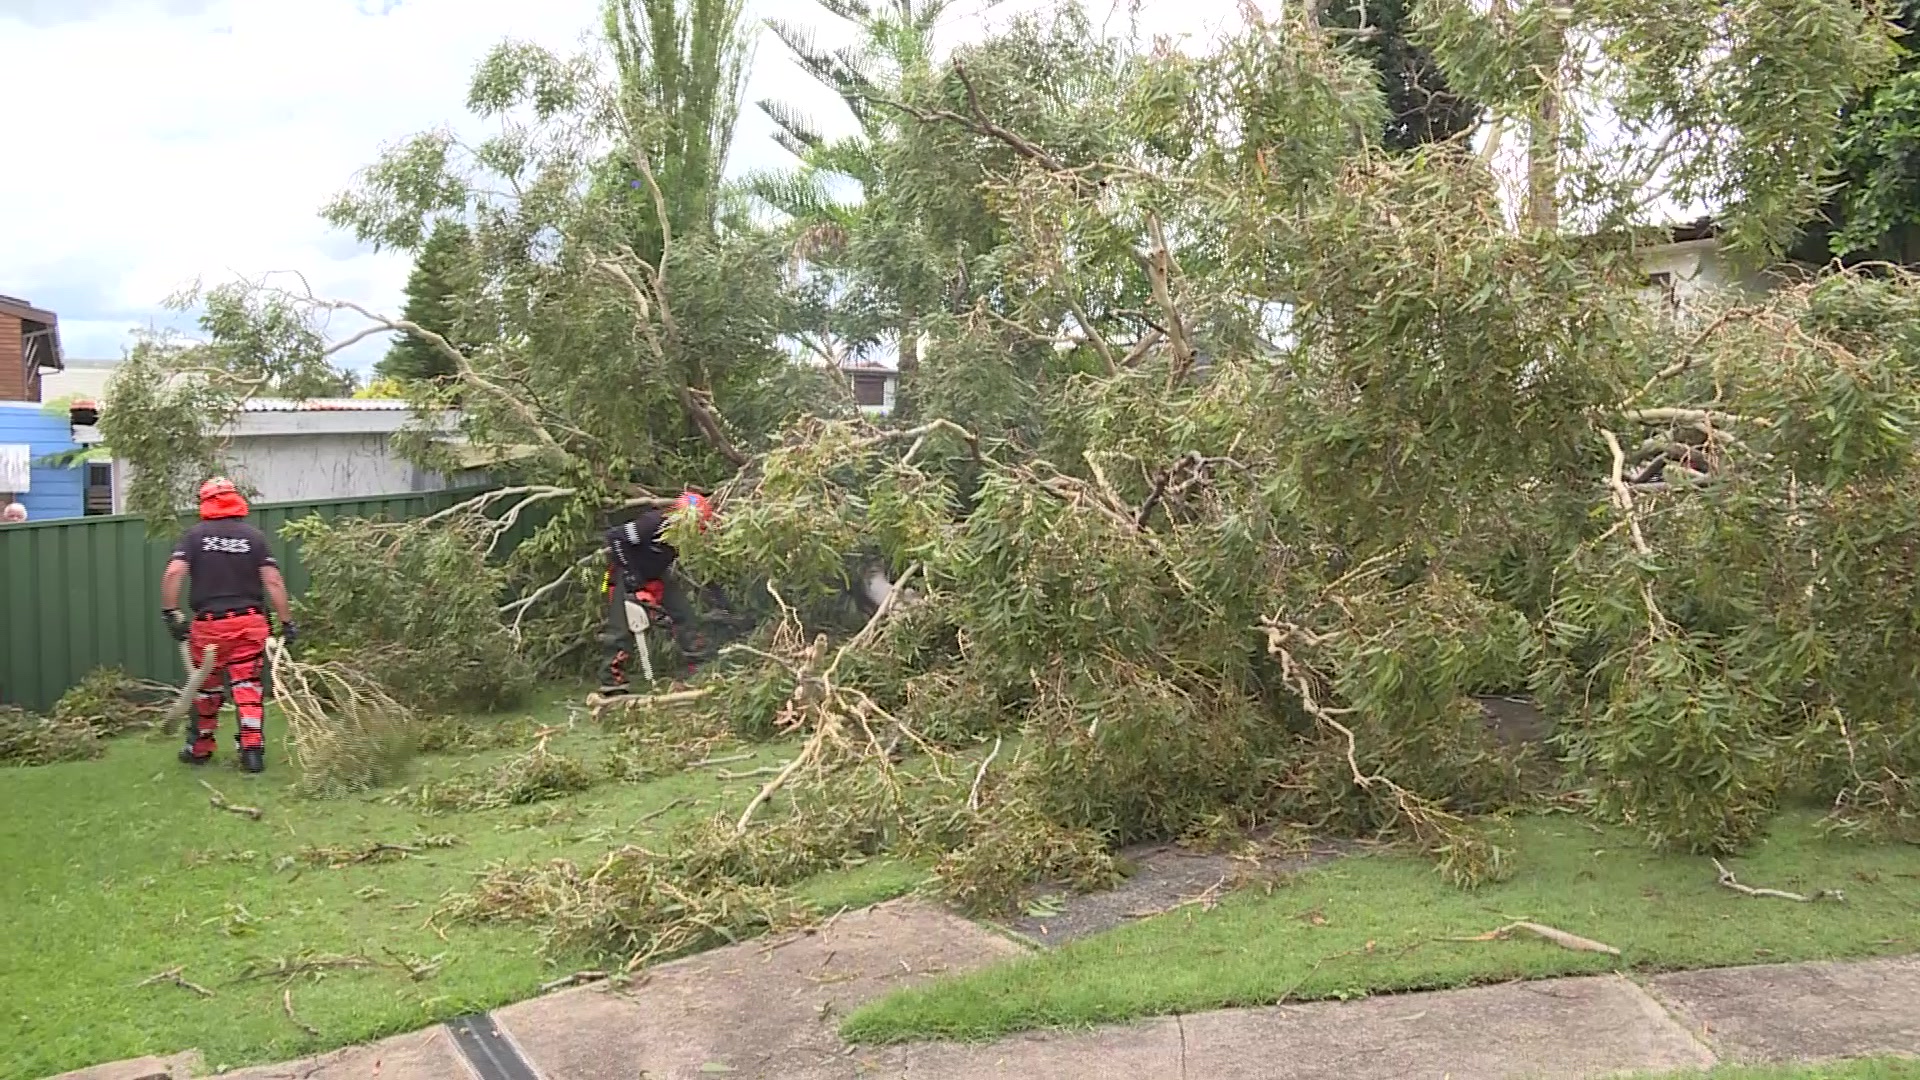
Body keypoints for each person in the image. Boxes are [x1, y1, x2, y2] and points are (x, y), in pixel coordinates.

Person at [160, 477, 296, 773]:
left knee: (206, 688)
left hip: (209, 629)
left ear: (205, 502)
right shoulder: (254, 538)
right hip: (248, 624)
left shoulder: (194, 537)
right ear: (237, 500)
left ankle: (199, 749)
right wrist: (286, 622)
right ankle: (252, 751)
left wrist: (171, 613)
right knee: (247, 686)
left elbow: (173, 574)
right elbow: (272, 580)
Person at [598, 491, 713, 696]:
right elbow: (615, 538)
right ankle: (612, 681)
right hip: (622, 575)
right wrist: (631, 574)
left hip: (656, 575)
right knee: (620, 630)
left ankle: (701, 666)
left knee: (685, 615)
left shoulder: (685, 536)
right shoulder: (652, 523)